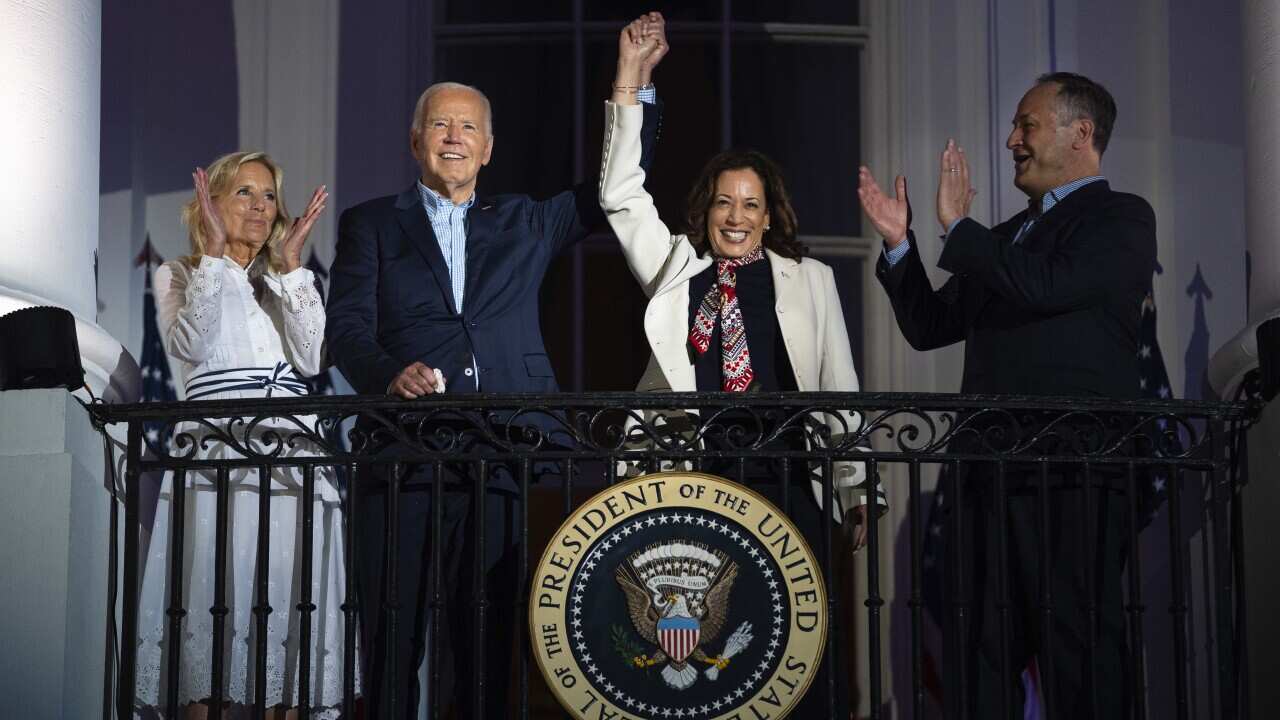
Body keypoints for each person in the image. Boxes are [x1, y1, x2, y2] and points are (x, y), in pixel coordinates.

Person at [324, 14, 668, 718]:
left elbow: (612, 187)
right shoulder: (371, 225)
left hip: (505, 456)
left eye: (468, 128)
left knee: (485, 647)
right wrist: (389, 374)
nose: (454, 137)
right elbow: (348, 329)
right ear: (416, 141)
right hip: (404, 458)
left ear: (487, 149)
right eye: (441, 126)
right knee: (392, 644)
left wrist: (631, 84)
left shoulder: (524, 221)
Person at [601, 25, 885, 718]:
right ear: (707, 209)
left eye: (750, 204)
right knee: (707, 651)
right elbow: (620, 196)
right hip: (695, 475)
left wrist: (854, 488)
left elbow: (837, 383)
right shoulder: (679, 269)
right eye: (725, 202)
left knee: (795, 640)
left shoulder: (808, 279)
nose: (736, 216)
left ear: (769, 214)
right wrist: (628, 82)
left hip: (786, 475)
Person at [858, 72, 1157, 718]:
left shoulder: (1122, 217)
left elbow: (1050, 286)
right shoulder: (1004, 237)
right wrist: (900, 244)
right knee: (981, 655)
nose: (1010, 140)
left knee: (1077, 649)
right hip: (988, 478)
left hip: (1074, 473)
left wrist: (960, 231)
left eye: (1026, 125)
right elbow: (931, 326)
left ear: (1081, 133)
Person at [136, 151, 351, 717]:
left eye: (269, 196)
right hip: (218, 463)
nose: (260, 206)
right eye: (244, 193)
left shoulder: (282, 282)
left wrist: (290, 267)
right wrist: (211, 255)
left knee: (287, 615)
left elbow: (311, 359)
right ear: (209, 204)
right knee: (214, 609)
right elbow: (193, 349)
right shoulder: (180, 273)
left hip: (293, 463)